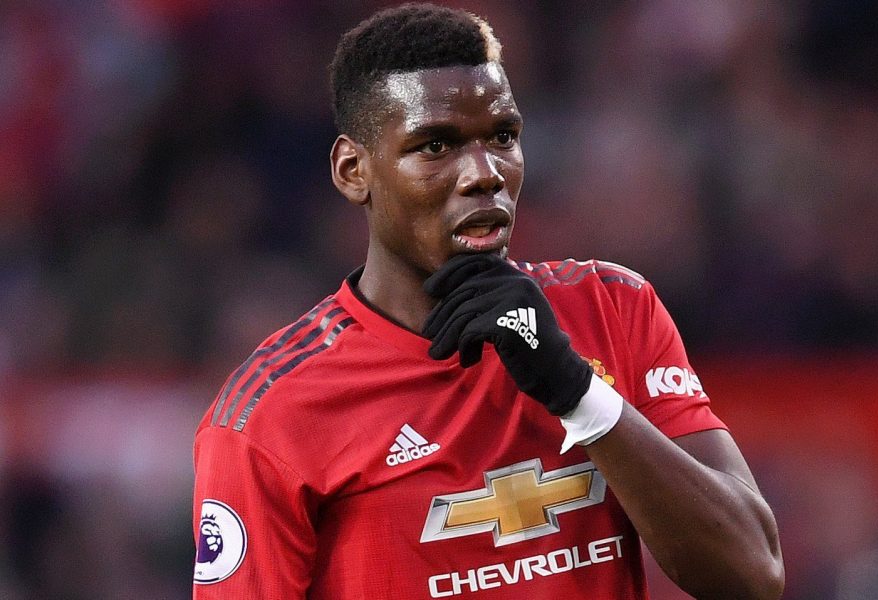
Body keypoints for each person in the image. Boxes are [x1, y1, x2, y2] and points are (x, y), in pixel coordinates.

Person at [191, 4, 784, 598]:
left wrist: (578, 392)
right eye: (435, 145)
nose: (484, 173)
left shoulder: (612, 310)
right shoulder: (269, 417)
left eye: (502, 137)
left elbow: (753, 574)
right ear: (353, 171)